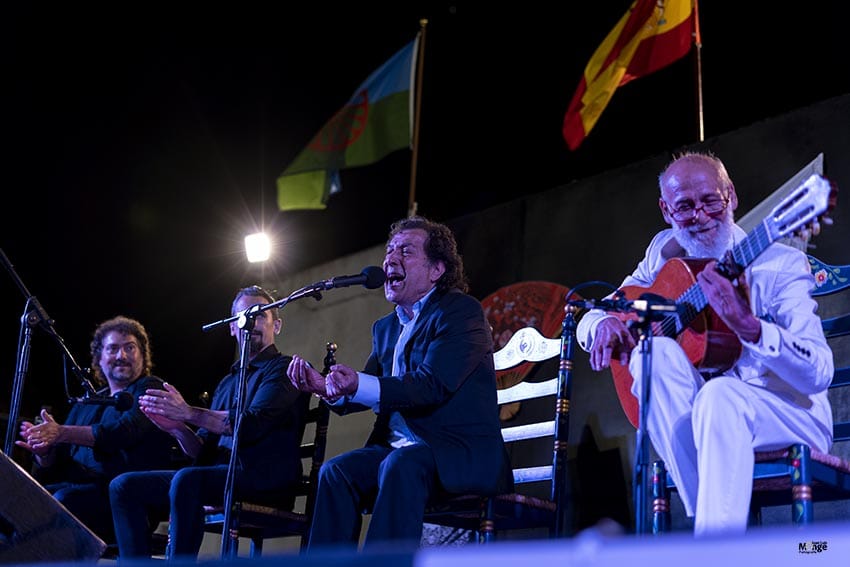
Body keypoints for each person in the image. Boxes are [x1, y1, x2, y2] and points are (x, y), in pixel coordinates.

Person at [576, 152, 833, 536]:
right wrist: (602, 323)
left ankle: (711, 547)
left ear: (731, 196)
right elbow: (598, 310)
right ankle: (716, 537)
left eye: (710, 200)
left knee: (720, 396)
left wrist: (751, 328)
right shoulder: (663, 257)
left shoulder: (780, 265)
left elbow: (819, 373)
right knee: (651, 354)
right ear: (666, 211)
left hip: (787, 413)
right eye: (685, 207)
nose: (700, 216)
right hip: (707, 425)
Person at [288, 216, 513, 550]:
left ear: (437, 269)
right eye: (390, 250)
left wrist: (357, 384)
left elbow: (431, 384)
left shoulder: (461, 312)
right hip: (399, 455)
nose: (390, 259)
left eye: (405, 252)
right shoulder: (385, 328)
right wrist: (324, 387)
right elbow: (366, 389)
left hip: (456, 453)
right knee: (336, 473)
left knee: (400, 464)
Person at [109, 285, 308, 559]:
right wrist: (178, 428)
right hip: (217, 476)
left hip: (264, 478)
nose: (251, 322)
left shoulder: (283, 368)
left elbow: (250, 425)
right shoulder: (227, 382)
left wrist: (188, 412)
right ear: (231, 328)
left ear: (278, 325)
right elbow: (201, 450)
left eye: (259, 315)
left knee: (187, 480)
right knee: (124, 486)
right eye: (243, 316)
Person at [16, 316, 176, 543]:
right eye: (113, 349)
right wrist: (44, 452)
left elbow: (124, 432)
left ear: (143, 355)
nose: (121, 356)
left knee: (64, 501)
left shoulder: (150, 389)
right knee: (21, 499)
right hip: (78, 492)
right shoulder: (87, 403)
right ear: (99, 359)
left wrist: (62, 432)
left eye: (130, 348)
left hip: (125, 502)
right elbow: (59, 463)